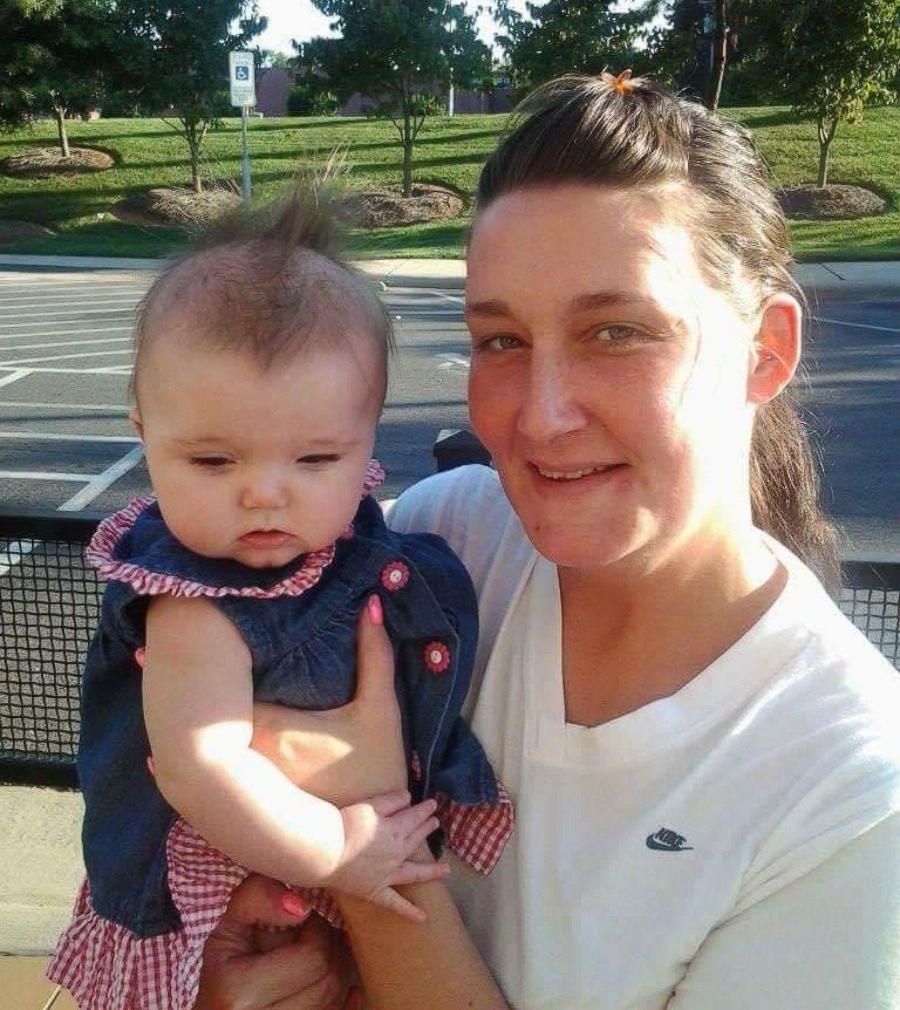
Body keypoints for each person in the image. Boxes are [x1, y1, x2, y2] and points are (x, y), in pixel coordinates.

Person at [199, 72, 900, 1009]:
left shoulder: (845, 791)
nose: (541, 413)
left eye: (616, 330)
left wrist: (368, 840)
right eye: (500, 341)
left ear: (764, 351)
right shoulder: (441, 545)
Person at [46, 195, 512, 1010]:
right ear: (142, 430)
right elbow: (200, 766)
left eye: (315, 456)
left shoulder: (352, 543)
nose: (265, 494)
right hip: (227, 890)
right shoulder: (192, 599)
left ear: (369, 436)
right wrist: (334, 851)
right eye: (214, 460)